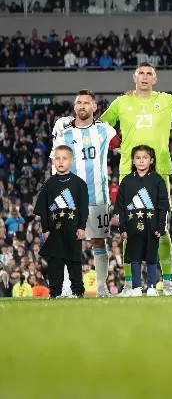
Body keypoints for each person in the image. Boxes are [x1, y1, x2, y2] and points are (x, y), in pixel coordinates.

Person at [100, 62, 172, 296]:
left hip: (159, 172)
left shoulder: (167, 100)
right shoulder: (121, 102)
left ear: (155, 79)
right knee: (130, 230)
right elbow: (102, 126)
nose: (145, 77)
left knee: (161, 227)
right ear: (134, 77)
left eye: (150, 74)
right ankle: (130, 284)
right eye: (141, 74)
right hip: (129, 170)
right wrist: (119, 145)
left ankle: (166, 283)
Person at [51, 89, 119, 297]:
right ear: (74, 107)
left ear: (94, 107)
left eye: (86, 103)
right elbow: (56, 163)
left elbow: (123, 147)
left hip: (98, 197)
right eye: (79, 103)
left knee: (98, 241)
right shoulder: (64, 132)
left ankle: (101, 287)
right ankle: (66, 289)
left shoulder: (105, 130)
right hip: (69, 200)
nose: (82, 106)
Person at [34, 145, 89, 299]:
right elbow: (43, 209)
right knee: (55, 264)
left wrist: (82, 226)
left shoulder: (79, 184)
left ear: (71, 161)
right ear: (53, 161)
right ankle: (55, 293)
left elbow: (83, 208)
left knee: (74, 263)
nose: (61, 161)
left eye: (64, 158)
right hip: (54, 231)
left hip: (73, 230)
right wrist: (45, 229)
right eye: (57, 158)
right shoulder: (49, 184)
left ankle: (78, 292)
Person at [115, 146, 169, 297]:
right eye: (138, 158)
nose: (141, 161)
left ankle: (151, 286)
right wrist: (123, 227)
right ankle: (136, 287)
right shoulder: (126, 181)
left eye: (145, 158)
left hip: (152, 227)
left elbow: (162, 204)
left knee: (152, 257)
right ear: (133, 160)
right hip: (132, 227)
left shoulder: (157, 180)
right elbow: (121, 207)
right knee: (135, 257)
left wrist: (160, 225)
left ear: (151, 160)